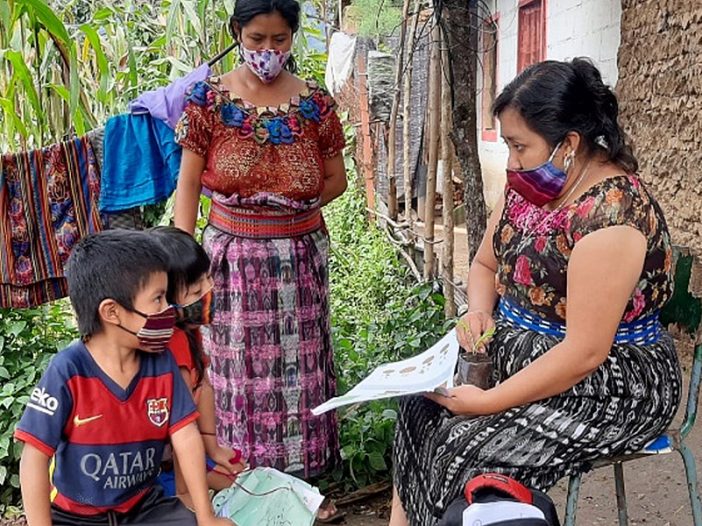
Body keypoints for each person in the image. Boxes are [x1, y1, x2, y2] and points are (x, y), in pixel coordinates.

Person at [390, 58, 682, 526]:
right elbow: (484, 265)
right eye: (507, 145)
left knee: (458, 447)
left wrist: (487, 402)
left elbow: (585, 352)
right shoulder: (532, 190)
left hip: (609, 385)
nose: (512, 162)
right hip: (527, 355)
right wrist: (478, 313)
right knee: (417, 410)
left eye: (520, 146)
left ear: (568, 144)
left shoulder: (612, 216)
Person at [173, 0, 347, 520]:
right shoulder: (207, 100)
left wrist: (290, 198)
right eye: (256, 40)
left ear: (293, 37)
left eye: (278, 40)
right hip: (230, 262)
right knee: (234, 376)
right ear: (237, 33)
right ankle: (240, 486)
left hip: (298, 262)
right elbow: (188, 186)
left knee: (300, 377)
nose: (267, 51)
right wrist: (184, 266)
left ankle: (299, 493)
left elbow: (337, 179)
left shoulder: (316, 104)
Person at [14, 230, 231, 526]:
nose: (169, 310)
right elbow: (34, 458)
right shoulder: (67, 371)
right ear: (112, 312)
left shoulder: (162, 362)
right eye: (157, 299)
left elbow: (186, 436)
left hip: (145, 509)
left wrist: (206, 517)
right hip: (75, 518)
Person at [150, 226, 245, 501]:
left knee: (235, 475)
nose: (209, 290)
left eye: (207, 279)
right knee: (234, 484)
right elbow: (181, 423)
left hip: (186, 450)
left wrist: (213, 448)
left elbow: (203, 384)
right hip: (161, 467)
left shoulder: (189, 333)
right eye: (195, 290)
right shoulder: (172, 344)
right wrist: (190, 496)